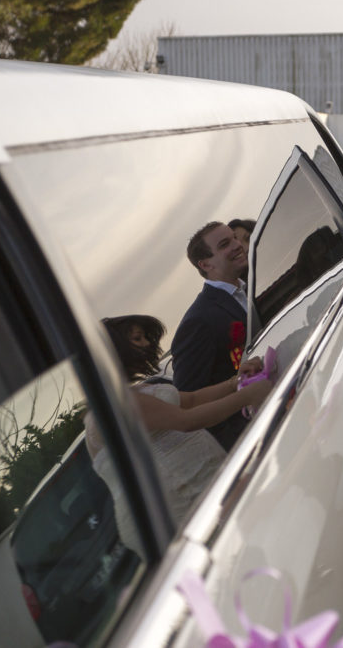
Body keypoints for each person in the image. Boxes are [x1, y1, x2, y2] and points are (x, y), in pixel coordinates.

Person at [88, 314, 272, 558]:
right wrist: (248, 396)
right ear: (115, 352)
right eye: (137, 339)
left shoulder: (134, 392)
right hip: (173, 507)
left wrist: (235, 382)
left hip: (192, 491)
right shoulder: (116, 405)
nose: (146, 344)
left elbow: (192, 400)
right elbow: (186, 421)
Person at [172, 221, 251, 450]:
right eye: (226, 244)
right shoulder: (199, 321)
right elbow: (189, 400)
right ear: (205, 264)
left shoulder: (255, 283)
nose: (237, 245)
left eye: (235, 238)